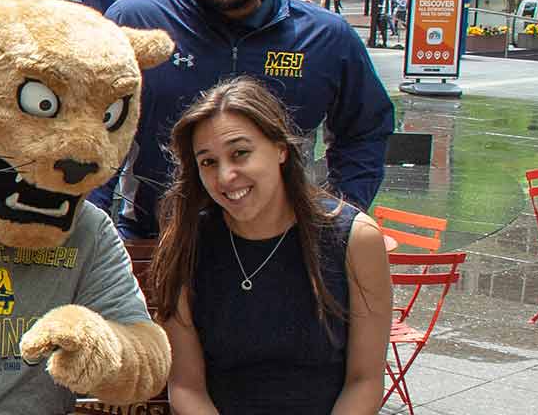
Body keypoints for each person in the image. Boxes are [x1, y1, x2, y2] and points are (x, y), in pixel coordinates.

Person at [100, 0, 394, 238]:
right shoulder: (134, 22)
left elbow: (365, 130)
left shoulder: (326, 37)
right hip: (153, 239)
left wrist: (338, 219)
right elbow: (96, 129)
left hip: (280, 249)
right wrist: (91, 228)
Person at [150, 76, 392, 414]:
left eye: (240, 153)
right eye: (208, 162)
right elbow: (186, 386)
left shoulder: (355, 239)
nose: (225, 176)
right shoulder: (185, 241)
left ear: (280, 149)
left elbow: (364, 380)